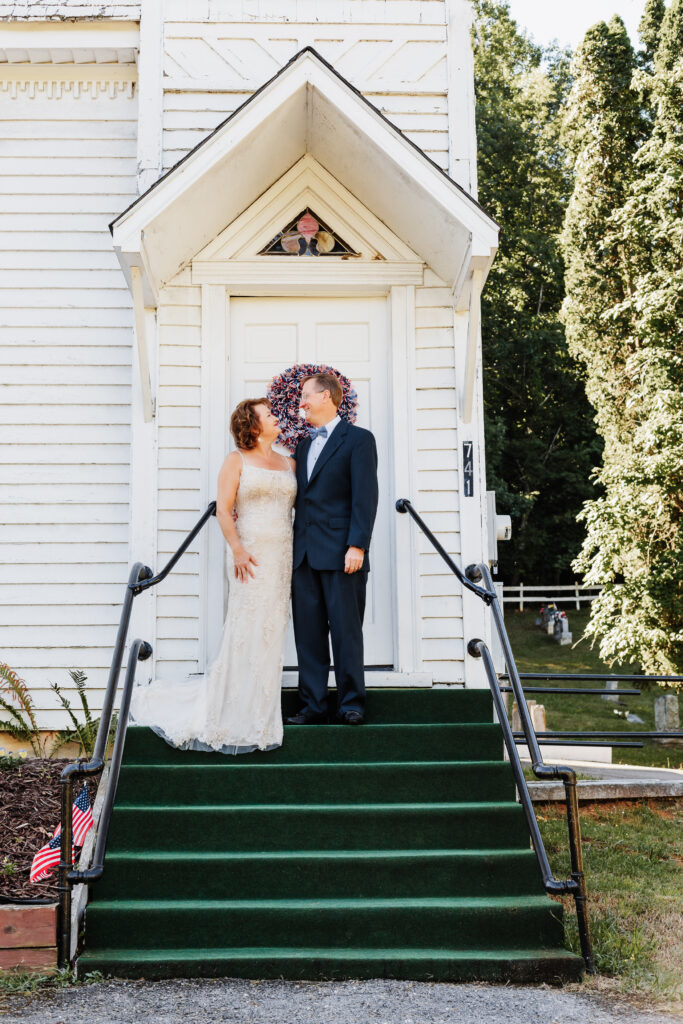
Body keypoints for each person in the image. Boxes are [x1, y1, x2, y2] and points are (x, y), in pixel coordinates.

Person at [130, 398, 297, 754]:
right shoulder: (235, 460)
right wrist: (237, 548)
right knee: (246, 626)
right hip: (248, 556)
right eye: (268, 414)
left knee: (272, 628)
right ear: (252, 425)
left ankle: (260, 709)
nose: (275, 417)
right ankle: (231, 708)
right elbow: (223, 509)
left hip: (282, 555)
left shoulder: (288, 462)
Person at [287, 372, 378, 726]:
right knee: (308, 635)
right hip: (304, 555)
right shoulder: (303, 446)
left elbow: (365, 497)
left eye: (306, 396)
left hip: (343, 554)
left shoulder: (358, 440)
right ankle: (312, 705)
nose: (302, 403)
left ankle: (351, 702)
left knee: (346, 632)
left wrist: (358, 545)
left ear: (325, 396)